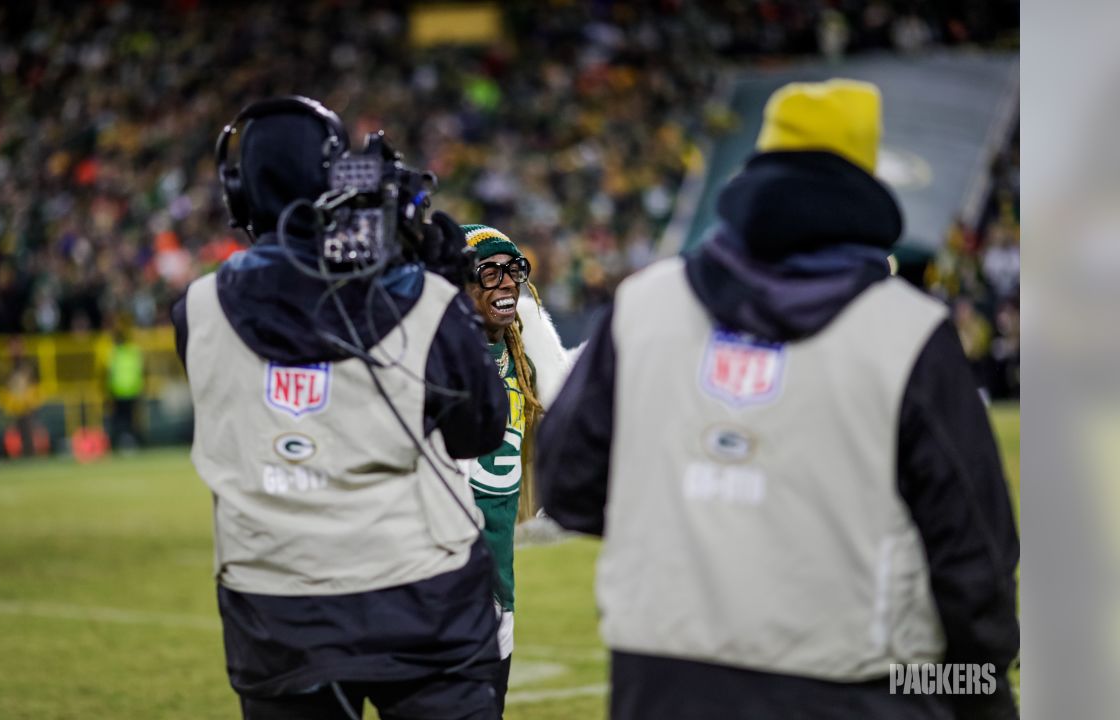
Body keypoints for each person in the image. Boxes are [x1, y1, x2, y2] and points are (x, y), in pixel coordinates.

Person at [536, 79, 1020, 719]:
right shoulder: (907, 331)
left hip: (662, 675)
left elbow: (568, 483)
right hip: (851, 679)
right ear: (866, 175)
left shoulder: (643, 304)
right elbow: (972, 557)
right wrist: (982, 695)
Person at [171, 96, 509, 720]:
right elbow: (479, 430)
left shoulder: (196, 310)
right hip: (421, 601)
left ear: (238, 192)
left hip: (272, 607)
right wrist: (432, 283)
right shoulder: (420, 298)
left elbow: (287, 305)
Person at [458, 223, 572, 716]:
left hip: (498, 581)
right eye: (489, 271)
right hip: (437, 577)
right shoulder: (432, 355)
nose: (506, 282)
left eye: (514, 271)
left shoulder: (521, 355)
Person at [105, 328, 145, 450]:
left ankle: (122, 442)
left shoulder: (114, 353)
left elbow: (110, 373)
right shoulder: (133, 351)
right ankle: (132, 442)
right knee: (132, 420)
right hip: (132, 390)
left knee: (121, 420)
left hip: (119, 392)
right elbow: (140, 370)